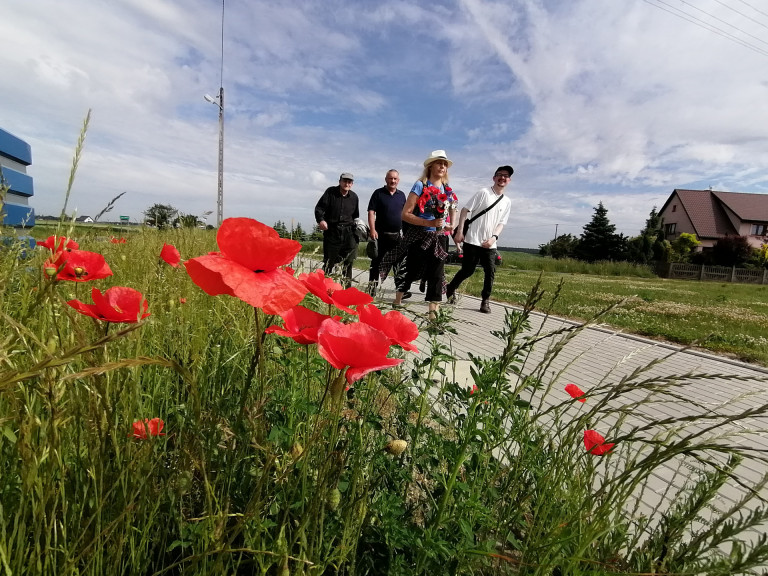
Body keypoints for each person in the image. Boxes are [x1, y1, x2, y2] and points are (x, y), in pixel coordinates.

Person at [392, 150, 458, 322]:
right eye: (439, 163)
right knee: (413, 270)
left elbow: (453, 208)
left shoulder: (448, 190)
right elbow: (405, 214)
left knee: (437, 275)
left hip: (440, 237)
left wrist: (451, 225)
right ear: (431, 166)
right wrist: (429, 223)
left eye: (445, 164)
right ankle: (398, 300)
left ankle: (432, 317)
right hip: (421, 236)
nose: (442, 166)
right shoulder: (420, 185)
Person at [447, 165, 513, 313]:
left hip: (490, 243)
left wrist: (493, 238)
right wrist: (459, 232)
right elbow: (464, 210)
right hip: (472, 240)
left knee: (490, 271)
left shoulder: (507, 201)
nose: (502, 177)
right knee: (467, 271)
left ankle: (485, 301)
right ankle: (450, 288)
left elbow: (502, 223)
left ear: (509, 180)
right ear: (494, 178)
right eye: (500, 175)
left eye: (506, 176)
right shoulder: (483, 192)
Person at [314, 173, 360, 287]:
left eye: (349, 182)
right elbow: (319, 208)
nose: (347, 184)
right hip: (332, 232)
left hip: (348, 233)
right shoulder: (330, 192)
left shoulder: (354, 197)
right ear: (339, 181)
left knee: (348, 264)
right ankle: (324, 290)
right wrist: (321, 220)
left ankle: (346, 291)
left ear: (352, 184)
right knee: (329, 263)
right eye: (344, 181)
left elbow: (355, 216)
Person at [366, 169, 407, 296]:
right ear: (386, 179)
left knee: (399, 264)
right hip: (381, 235)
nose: (393, 181)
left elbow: (405, 215)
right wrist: (372, 229)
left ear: (398, 181)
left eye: (395, 179)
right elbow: (371, 212)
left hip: (397, 236)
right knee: (376, 263)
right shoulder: (378, 193)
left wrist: (405, 232)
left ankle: (401, 291)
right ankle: (372, 289)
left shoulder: (402, 195)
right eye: (390, 178)